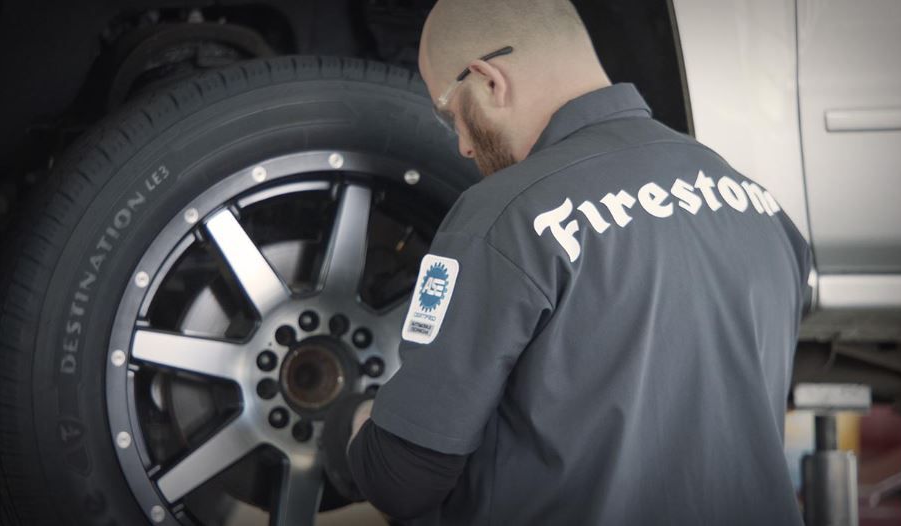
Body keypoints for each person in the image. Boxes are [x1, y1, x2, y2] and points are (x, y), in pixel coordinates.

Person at [321, 0, 812, 524]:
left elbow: (403, 480)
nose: (462, 146)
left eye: (451, 113)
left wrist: (354, 421)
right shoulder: (761, 208)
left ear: (490, 82)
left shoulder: (507, 214)